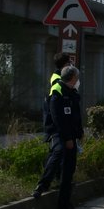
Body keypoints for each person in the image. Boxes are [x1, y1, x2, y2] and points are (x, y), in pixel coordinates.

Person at [32, 57, 76, 199]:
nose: (71, 64)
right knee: (57, 153)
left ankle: (58, 185)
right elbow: (57, 113)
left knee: (61, 158)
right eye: (69, 63)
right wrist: (68, 135)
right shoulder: (58, 84)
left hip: (65, 128)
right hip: (57, 128)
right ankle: (43, 185)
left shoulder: (68, 88)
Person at [44, 65, 84, 209]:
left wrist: (79, 133)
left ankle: (66, 203)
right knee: (66, 171)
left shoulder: (72, 93)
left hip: (72, 137)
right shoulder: (58, 92)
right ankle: (63, 204)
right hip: (64, 138)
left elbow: (75, 116)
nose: (78, 81)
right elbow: (59, 120)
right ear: (73, 78)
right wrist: (68, 138)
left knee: (69, 171)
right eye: (77, 78)